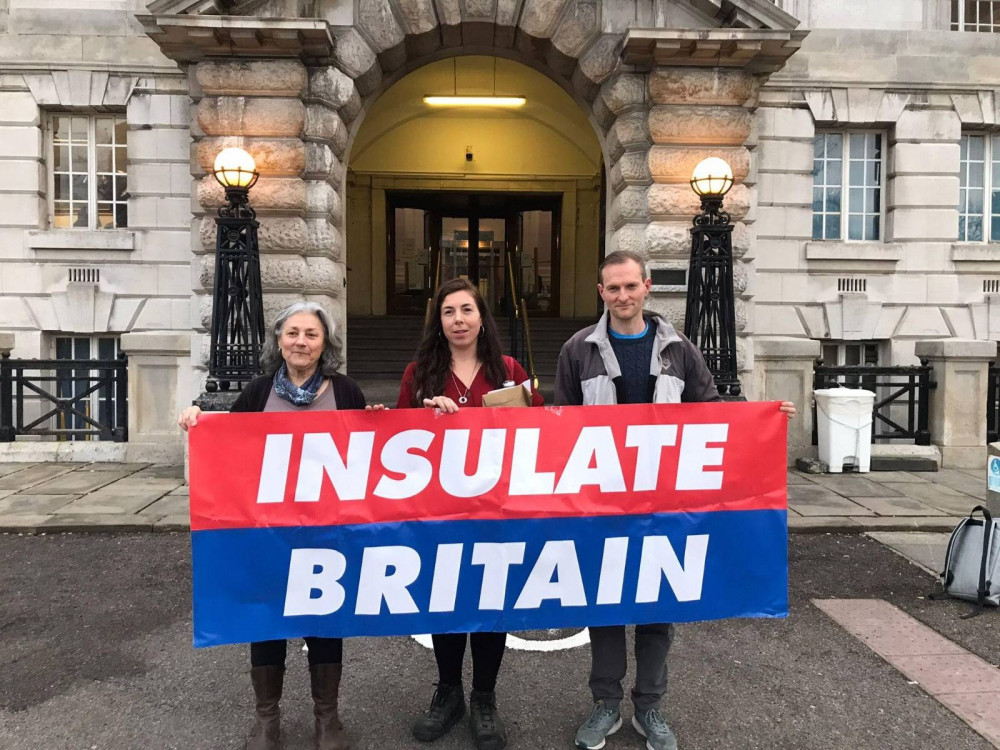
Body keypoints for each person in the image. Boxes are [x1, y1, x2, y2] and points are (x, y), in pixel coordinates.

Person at [556, 250, 796, 750]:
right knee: (603, 606)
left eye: (630, 286)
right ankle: (605, 704)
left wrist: (763, 419)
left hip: (664, 503)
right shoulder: (578, 349)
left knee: (657, 606)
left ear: (647, 287)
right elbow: (560, 426)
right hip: (601, 502)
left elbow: (709, 414)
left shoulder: (678, 349)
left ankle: (649, 706)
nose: (622, 296)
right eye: (612, 288)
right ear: (601, 293)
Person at [179, 301, 383, 750]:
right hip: (267, 534)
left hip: (328, 532)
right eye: (293, 333)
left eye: (311, 334)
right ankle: (266, 720)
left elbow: (367, 456)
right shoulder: (256, 393)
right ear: (278, 340)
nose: (301, 342)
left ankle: (326, 718)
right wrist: (199, 420)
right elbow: (228, 450)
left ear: (324, 343)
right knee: (266, 619)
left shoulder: (345, 391)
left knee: (325, 620)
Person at [396, 277, 543, 750]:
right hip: (438, 513)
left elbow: (541, 431)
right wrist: (420, 415)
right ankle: (449, 692)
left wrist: (529, 406)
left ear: (482, 318)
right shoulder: (418, 373)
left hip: (495, 513)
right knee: (444, 601)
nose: (458, 320)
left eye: (466, 310)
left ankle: (484, 697)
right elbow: (393, 442)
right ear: (437, 322)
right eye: (448, 312)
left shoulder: (508, 370)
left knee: (489, 604)